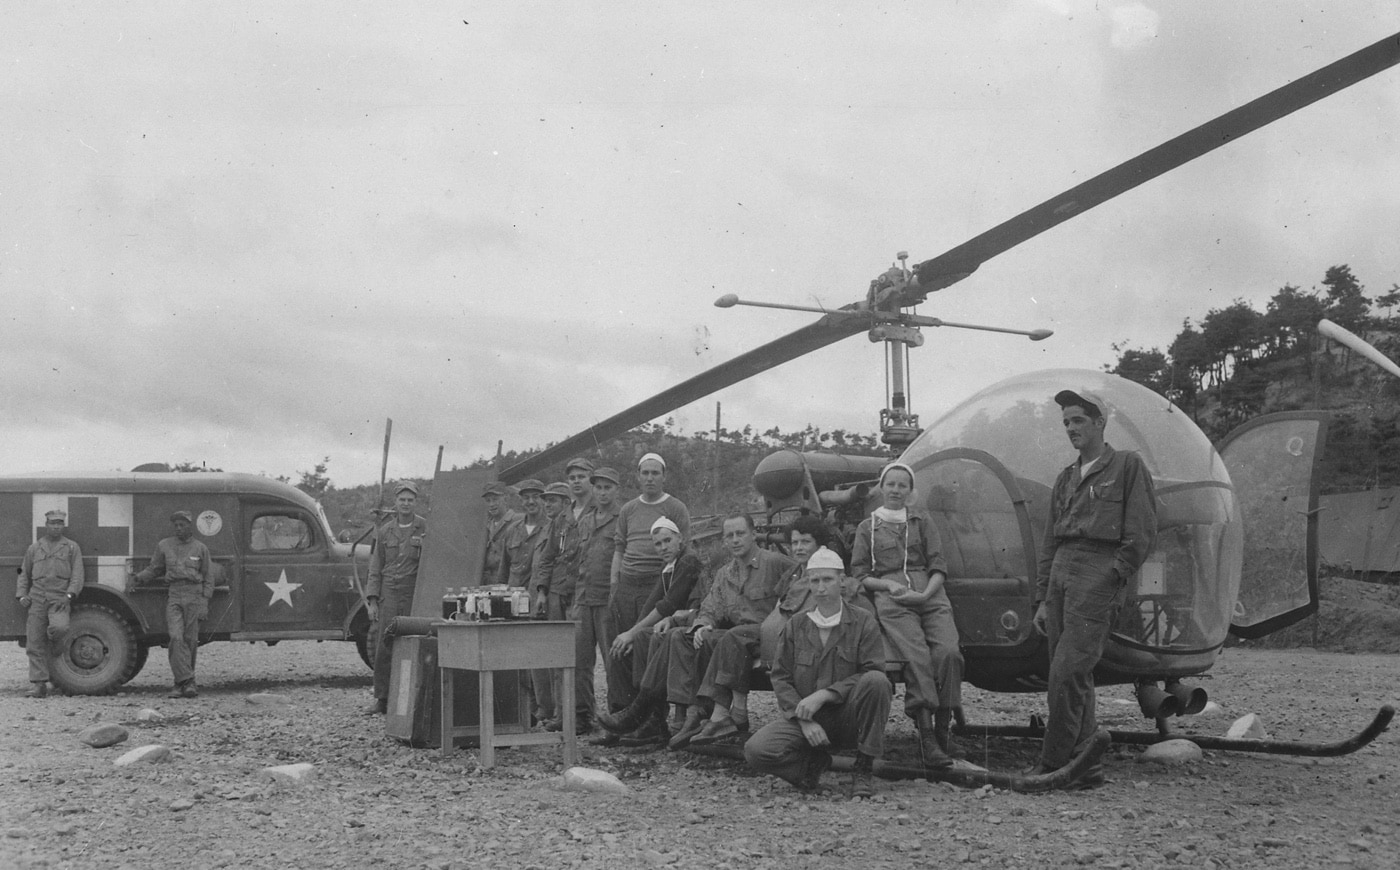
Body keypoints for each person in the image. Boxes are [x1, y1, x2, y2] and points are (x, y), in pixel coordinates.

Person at [1028, 388, 1157, 789]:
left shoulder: (1127, 465)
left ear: (1100, 422)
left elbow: (1141, 531)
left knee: (1067, 672)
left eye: (1078, 420)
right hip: (1063, 571)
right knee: (1069, 672)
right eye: (1066, 422)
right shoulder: (1065, 477)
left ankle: (1053, 762)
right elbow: (1050, 540)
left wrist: (1114, 574)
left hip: (1097, 572)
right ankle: (1088, 766)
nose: (1071, 428)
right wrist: (1042, 597)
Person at [744, 547, 892, 799]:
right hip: (807, 719)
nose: (821, 587)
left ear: (842, 581)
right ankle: (809, 767)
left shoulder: (863, 621)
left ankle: (864, 766)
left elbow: (873, 669)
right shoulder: (796, 624)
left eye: (828, 579)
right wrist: (803, 720)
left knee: (877, 682)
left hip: (848, 717)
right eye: (815, 580)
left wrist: (825, 694)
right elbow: (781, 677)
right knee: (756, 750)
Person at [691, 514, 846, 744]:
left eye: (805, 542)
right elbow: (778, 605)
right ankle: (713, 714)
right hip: (773, 634)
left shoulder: (822, 574)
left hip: (798, 639)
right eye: (794, 543)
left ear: (819, 544)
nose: (798, 548)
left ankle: (732, 714)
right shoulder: (794, 573)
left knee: (736, 636)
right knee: (719, 638)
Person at [852, 462, 964, 771]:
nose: (896, 490)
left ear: (910, 491)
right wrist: (887, 585)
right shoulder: (868, 528)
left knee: (949, 653)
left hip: (930, 593)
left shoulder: (922, 521)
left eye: (903, 486)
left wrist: (927, 594)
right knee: (917, 656)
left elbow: (938, 565)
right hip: (893, 598)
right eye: (891, 484)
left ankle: (944, 730)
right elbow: (860, 574)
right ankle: (927, 737)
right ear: (882, 487)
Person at [666, 512, 793, 750]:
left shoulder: (775, 563)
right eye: (729, 536)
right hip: (739, 639)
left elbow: (802, 582)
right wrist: (703, 624)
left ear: (753, 534)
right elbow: (712, 605)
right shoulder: (726, 573)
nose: (735, 540)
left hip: (768, 635)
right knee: (690, 637)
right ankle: (692, 714)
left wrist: (783, 612)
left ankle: (723, 715)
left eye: (740, 534)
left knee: (732, 636)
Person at [594, 516, 709, 745]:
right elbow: (654, 601)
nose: (663, 547)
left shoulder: (688, 561)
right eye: (658, 544)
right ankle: (627, 714)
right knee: (625, 645)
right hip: (674, 624)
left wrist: (634, 632)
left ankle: (648, 718)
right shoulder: (668, 565)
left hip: (694, 623)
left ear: (680, 539)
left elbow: (669, 603)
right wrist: (630, 634)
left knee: (644, 638)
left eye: (668, 541)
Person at [608, 453, 690, 710]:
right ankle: (620, 712)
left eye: (655, 473)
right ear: (638, 477)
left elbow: (683, 547)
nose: (650, 478)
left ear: (664, 476)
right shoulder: (628, 509)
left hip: (657, 583)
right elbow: (619, 549)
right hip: (627, 584)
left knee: (644, 646)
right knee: (619, 647)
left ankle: (647, 715)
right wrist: (615, 585)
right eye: (645, 473)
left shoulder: (675, 508)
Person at [363, 483, 427, 715]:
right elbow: (376, 566)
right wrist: (372, 600)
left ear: (415, 502)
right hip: (389, 591)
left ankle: (412, 700)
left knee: (414, 643)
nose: (406, 504)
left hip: (412, 592)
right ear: (396, 502)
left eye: (410, 500)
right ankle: (382, 698)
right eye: (402, 500)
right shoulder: (385, 531)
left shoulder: (424, 528)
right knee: (385, 644)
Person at [134, 510, 213, 699]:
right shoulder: (164, 546)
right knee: (176, 637)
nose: (179, 528)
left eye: (182, 525)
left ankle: (181, 684)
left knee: (191, 640)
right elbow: (155, 568)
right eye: (176, 525)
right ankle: (188, 681)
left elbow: (208, 576)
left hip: (194, 594)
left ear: (190, 526)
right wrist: (139, 578)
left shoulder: (200, 548)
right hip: (175, 594)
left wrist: (204, 601)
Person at [497, 479, 556, 725]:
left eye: (536, 497)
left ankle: (545, 708)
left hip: (539, 600)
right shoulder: (513, 530)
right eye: (526, 497)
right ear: (521, 500)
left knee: (541, 656)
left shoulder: (551, 527)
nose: (531, 502)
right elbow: (504, 569)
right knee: (518, 657)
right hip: (515, 602)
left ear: (543, 500)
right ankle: (526, 707)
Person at [572, 467, 622, 732]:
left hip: (608, 600)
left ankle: (617, 717)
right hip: (583, 598)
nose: (602, 493)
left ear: (617, 490)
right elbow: (575, 559)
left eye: (608, 487)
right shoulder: (585, 520)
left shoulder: (622, 518)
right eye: (599, 488)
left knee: (613, 661)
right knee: (580, 661)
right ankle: (582, 716)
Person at [17, 509, 84, 698]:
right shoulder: (35, 548)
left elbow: (77, 575)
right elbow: (23, 573)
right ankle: (39, 685)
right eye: (52, 523)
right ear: (46, 525)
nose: (56, 527)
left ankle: (55, 644)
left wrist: (69, 596)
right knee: (34, 642)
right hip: (37, 598)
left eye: (59, 523)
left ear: (63, 526)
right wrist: (22, 595)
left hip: (59, 599)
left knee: (60, 628)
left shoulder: (71, 548)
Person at [532, 482, 576, 731]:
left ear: (566, 503)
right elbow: (546, 561)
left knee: (572, 656)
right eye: (546, 500)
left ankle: (571, 713)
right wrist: (542, 592)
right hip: (555, 593)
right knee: (556, 654)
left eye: (553, 500)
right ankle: (560, 712)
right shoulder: (552, 526)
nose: (547, 504)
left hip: (572, 593)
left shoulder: (573, 524)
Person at [481, 481, 518, 582]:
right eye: (488, 501)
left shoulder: (517, 521)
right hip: (486, 581)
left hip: (508, 580)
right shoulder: (486, 526)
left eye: (495, 499)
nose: (491, 504)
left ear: (505, 499)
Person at [564, 457, 595, 522]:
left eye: (581, 477)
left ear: (591, 479)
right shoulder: (563, 516)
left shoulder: (602, 509)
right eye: (572, 478)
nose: (576, 481)